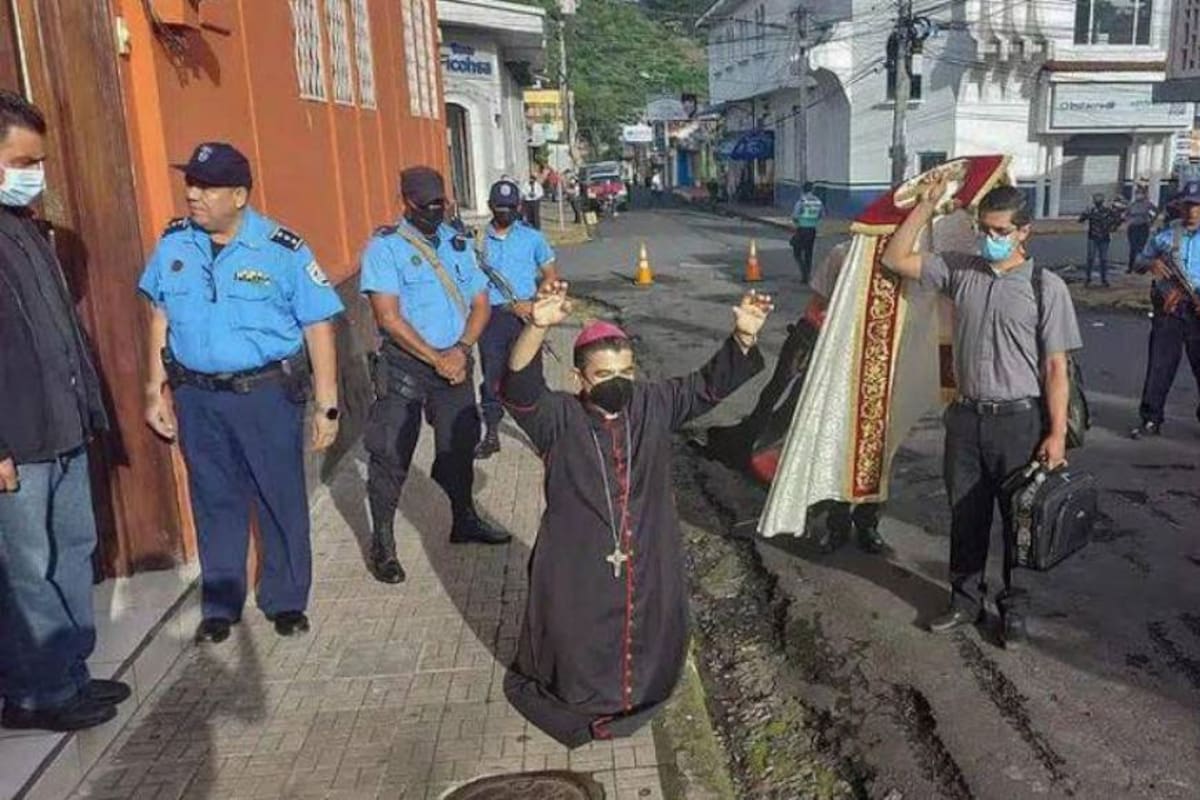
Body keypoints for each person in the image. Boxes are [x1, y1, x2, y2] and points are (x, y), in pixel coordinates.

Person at [501, 281, 772, 747]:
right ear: (579, 378)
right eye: (604, 374)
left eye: (626, 371)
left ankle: (638, 692)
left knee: (647, 622)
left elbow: (707, 386)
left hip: (646, 544)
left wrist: (744, 336)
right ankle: (585, 697)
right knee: (577, 631)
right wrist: (537, 327)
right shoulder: (557, 417)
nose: (618, 383)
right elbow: (519, 386)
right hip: (578, 552)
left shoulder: (653, 403)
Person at [140, 142, 342, 644]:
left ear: (239, 195)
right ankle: (220, 604)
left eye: (207, 187)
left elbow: (318, 325)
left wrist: (328, 403)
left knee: (279, 496)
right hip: (197, 397)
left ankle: (286, 599)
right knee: (213, 499)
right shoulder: (174, 244)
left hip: (265, 395)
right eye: (191, 184)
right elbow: (160, 315)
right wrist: (154, 388)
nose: (193, 194)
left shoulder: (281, 249)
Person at [882, 182, 1082, 648]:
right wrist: (926, 206)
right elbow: (895, 258)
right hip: (967, 419)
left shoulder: (1045, 288)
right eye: (983, 230)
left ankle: (1015, 611)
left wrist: (1056, 434)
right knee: (966, 515)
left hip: (1020, 423)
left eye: (999, 231)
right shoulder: (960, 270)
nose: (989, 239)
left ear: (1023, 232)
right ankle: (965, 600)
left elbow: (1056, 368)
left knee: (1020, 521)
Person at [0, 90, 131, 732]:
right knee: (26, 569)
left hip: (66, 427)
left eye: (39, 161)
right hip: (16, 444)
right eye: (24, 162)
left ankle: (71, 672)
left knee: (74, 549)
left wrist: (89, 412)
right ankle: (37, 693)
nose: (37, 174)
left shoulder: (27, 228)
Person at [360, 166, 510, 585]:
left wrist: (460, 350)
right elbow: (388, 318)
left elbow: (481, 303)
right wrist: (435, 357)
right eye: (425, 205)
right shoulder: (384, 248)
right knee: (390, 454)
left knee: (459, 446)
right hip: (406, 365)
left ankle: (464, 519)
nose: (434, 211)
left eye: (440, 203)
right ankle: (383, 543)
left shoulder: (457, 242)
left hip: (455, 362)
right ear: (406, 202)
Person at [474, 179, 559, 459]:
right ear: (490, 206)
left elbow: (550, 276)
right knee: (492, 376)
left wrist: (535, 304)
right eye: (500, 207)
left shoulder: (533, 238)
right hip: (492, 318)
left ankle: (543, 434)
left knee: (530, 375)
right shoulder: (477, 241)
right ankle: (491, 433)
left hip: (525, 318)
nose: (505, 212)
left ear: (519, 206)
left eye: (510, 207)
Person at [1129, 180, 1200, 439]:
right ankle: (1151, 418)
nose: (1192, 211)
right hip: (1171, 307)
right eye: (1188, 205)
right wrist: (1152, 264)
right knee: (1160, 365)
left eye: (1197, 205)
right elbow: (1138, 261)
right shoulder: (1166, 236)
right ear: (1180, 206)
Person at [1078, 193, 1121, 287]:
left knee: (1103, 259)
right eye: (1096, 199)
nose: (1097, 201)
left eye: (1099, 199)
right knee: (1090, 258)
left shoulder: (1107, 211)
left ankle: (1103, 279)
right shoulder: (1091, 211)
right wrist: (1085, 213)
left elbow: (1117, 220)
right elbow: (1080, 220)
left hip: (1104, 238)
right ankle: (1088, 278)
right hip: (1093, 237)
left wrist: (1113, 227)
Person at [790, 182, 824, 283]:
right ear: (812, 190)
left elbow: (795, 216)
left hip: (802, 229)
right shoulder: (818, 202)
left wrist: (797, 222)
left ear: (803, 190)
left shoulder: (802, 201)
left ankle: (804, 273)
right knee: (809, 253)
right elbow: (821, 214)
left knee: (797, 251)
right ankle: (807, 274)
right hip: (812, 229)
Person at [1124, 186, 1158, 273]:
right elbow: (1126, 214)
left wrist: (1151, 220)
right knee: (1133, 247)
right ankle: (1130, 267)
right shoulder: (1132, 205)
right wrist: (1128, 220)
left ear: (1144, 195)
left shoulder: (1147, 204)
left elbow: (1156, 211)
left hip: (1143, 227)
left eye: (1140, 193)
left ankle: (1140, 267)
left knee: (1141, 247)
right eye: (1137, 193)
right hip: (1133, 227)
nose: (1138, 195)